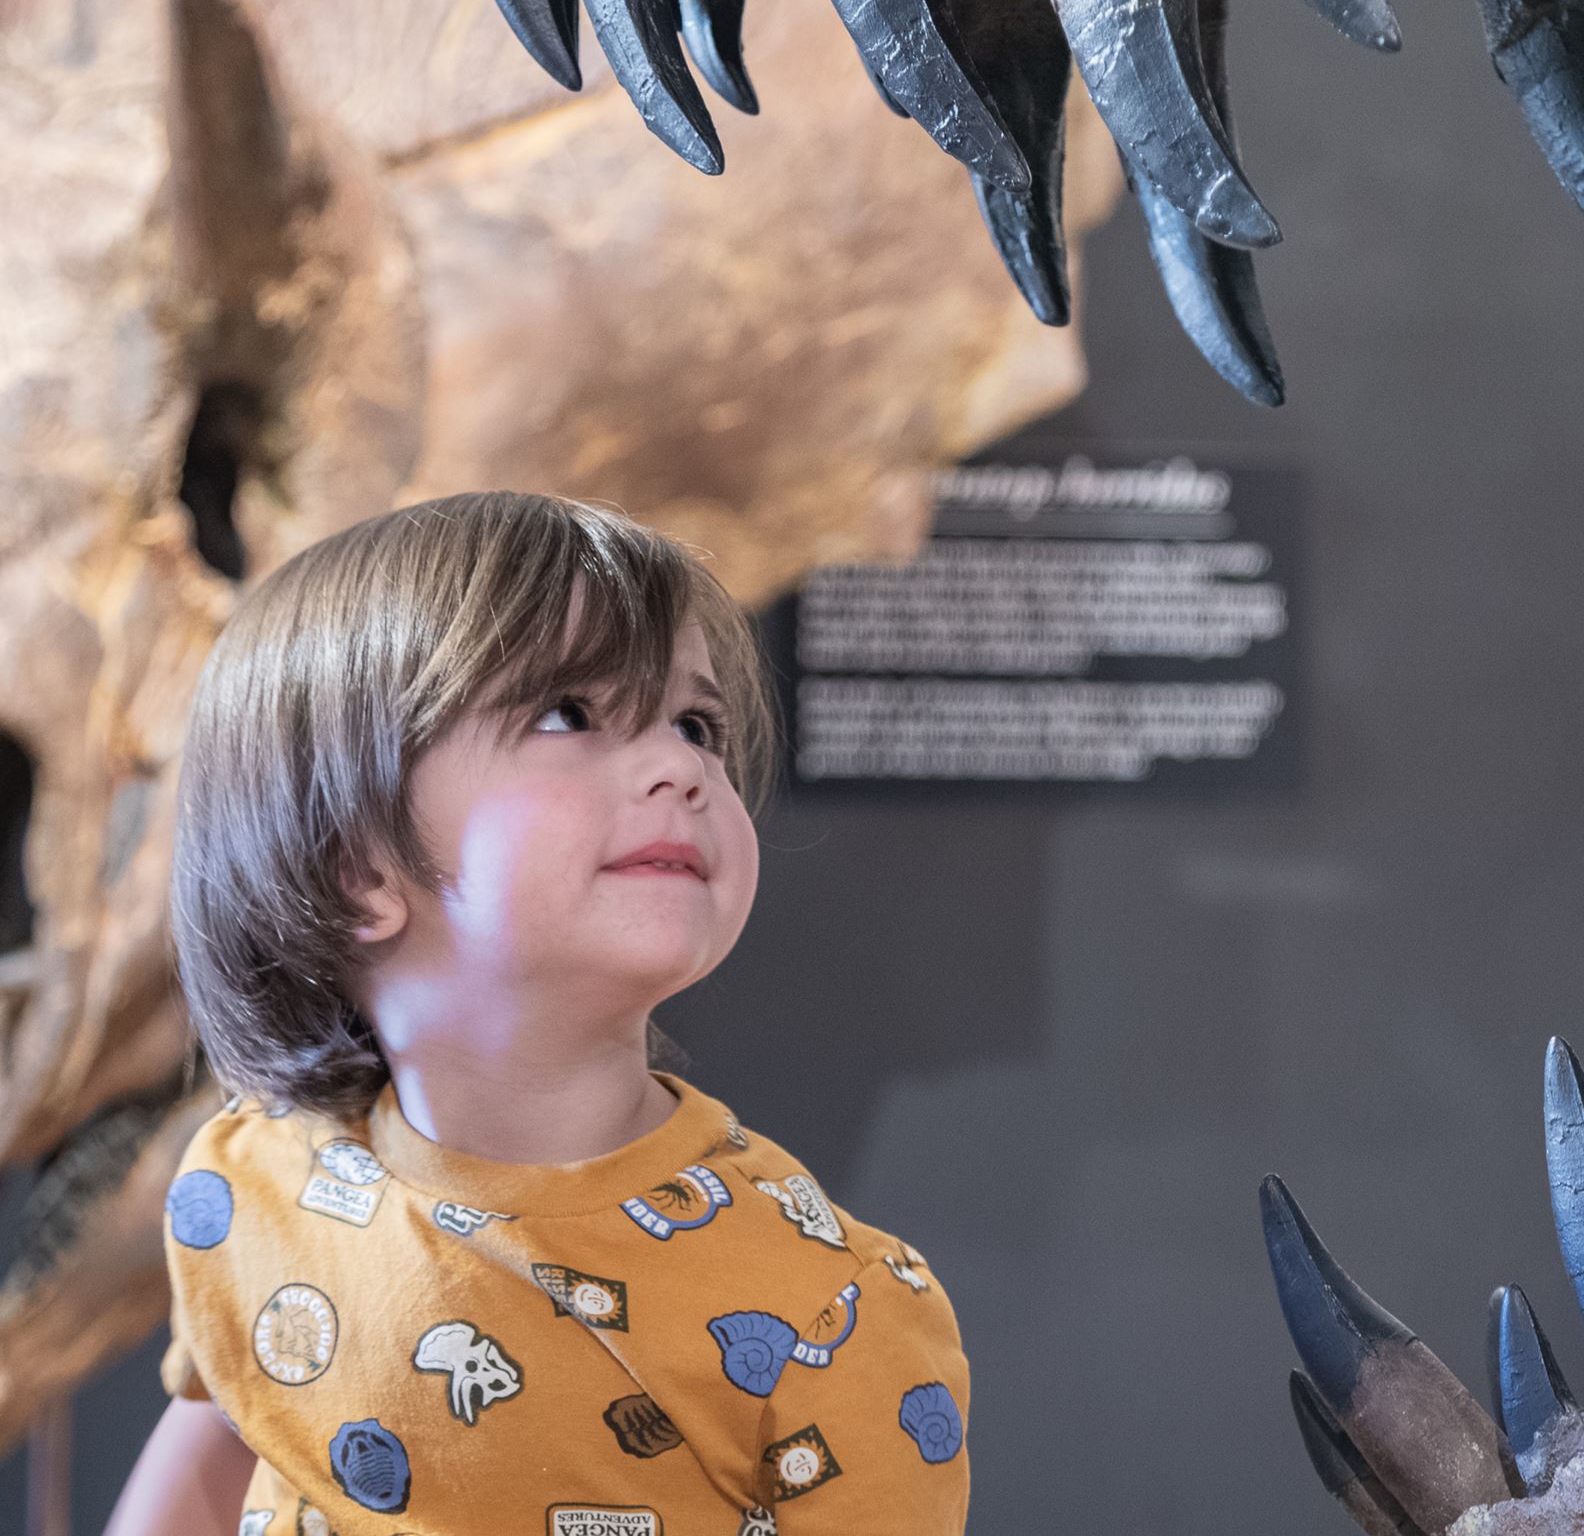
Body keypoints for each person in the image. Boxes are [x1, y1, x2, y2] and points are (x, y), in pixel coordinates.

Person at [107, 492, 969, 1536]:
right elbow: (214, 1455)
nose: (684, 768)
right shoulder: (249, 1186)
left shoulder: (832, 1310)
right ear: (354, 867)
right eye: (569, 712)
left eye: (697, 723)